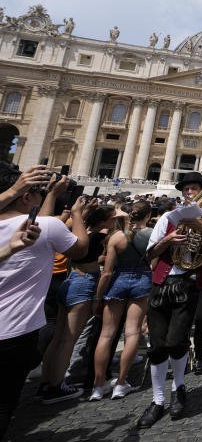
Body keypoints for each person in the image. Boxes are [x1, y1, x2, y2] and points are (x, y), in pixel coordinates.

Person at [0, 165, 89, 438]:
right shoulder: (46, 227)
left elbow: (43, 223)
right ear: (27, 197)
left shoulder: (39, 225)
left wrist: (30, 192)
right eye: (36, 192)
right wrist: (76, 214)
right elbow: (80, 248)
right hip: (13, 329)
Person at [137, 171, 202, 429]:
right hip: (162, 284)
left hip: (187, 284)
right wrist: (167, 240)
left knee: (177, 342)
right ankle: (157, 399)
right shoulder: (167, 217)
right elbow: (150, 255)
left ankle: (179, 388)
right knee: (156, 346)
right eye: (186, 189)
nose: (190, 193)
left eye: (195, 188)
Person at [39, 203, 117, 403]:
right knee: (69, 339)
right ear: (103, 222)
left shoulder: (78, 236)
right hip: (84, 284)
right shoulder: (101, 238)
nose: (115, 220)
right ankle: (55, 388)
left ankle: (46, 382)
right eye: (112, 218)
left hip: (69, 280)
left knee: (58, 337)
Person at [89, 201, 152, 400]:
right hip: (142, 280)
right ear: (148, 215)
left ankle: (98, 386)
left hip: (118, 280)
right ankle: (121, 383)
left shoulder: (116, 236)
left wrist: (98, 297)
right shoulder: (151, 235)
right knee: (132, 332)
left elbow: (107, 273)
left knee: (106, 335)